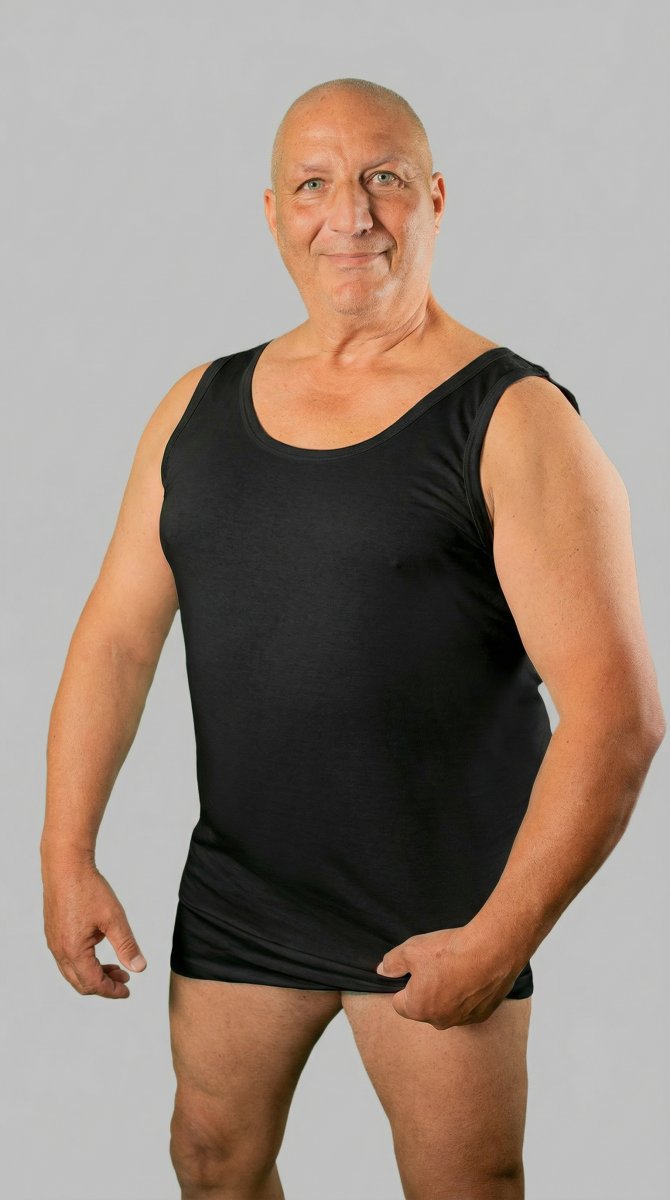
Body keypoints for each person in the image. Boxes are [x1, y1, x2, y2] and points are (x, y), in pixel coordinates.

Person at [41, 76, 665, 1200]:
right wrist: (64, 850)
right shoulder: (196, 405)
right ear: (271, 210)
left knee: (462, 1186)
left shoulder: (514, 419)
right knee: (210, 1163)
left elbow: (618, 720)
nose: (351, 216)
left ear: (436, 197)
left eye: (383, 178)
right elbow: (116, 642)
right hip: (244, 891)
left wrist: (500, 938)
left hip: (442, 903)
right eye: (313, 185)